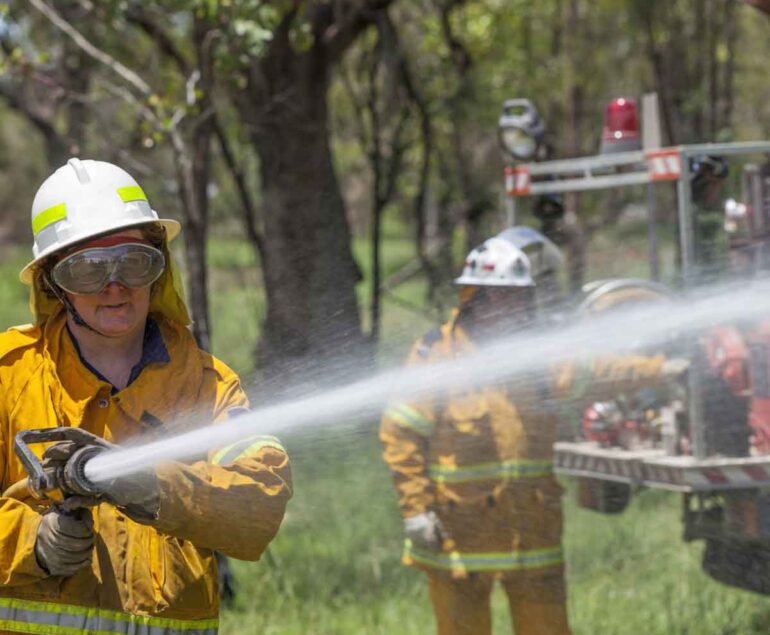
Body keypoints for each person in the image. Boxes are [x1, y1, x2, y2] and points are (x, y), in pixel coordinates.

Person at [0, 158, 292, 634]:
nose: (115, 287)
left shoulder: (208, 386)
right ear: (54, 281)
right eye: (89, 270)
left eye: (133, 263)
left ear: (158, 269)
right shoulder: (9, 376)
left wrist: (158, 485)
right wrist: (33, 542)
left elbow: (261, 505)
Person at [380, 226, 684, 635]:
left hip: (532, 531)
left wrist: (660, 369)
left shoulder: (539, 356)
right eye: (503, 297)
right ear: (475, 300)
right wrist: (416, 511)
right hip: (459, 538)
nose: (515, 308)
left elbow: (599, 372)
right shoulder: (436, 357)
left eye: (520, 297)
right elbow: (401, 434)